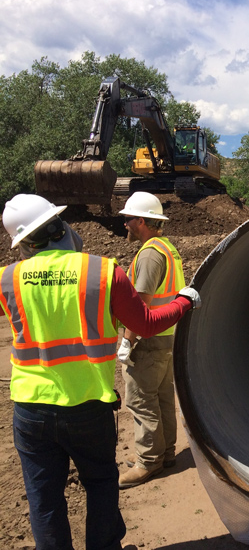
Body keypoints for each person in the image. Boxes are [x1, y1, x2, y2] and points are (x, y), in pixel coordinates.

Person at [1, 193, 201, 550]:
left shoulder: (7, 279)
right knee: (101, 484)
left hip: (30, 412)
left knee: (43, 499)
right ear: (61, 225)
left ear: (25, 242)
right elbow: (147, 322)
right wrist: (184, 301)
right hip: (88, 406)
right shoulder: (103, 271)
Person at [116, 192, 186, 489]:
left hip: (147, 340)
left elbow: (139, 308)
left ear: (141, 221)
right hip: (167, 336)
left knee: (141, 400)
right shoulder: (166, 248)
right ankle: (165, 453)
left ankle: (148, 461)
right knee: (161, 398)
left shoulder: (148, 254)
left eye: (128, 220)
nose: (125, 226)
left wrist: (127, 341)